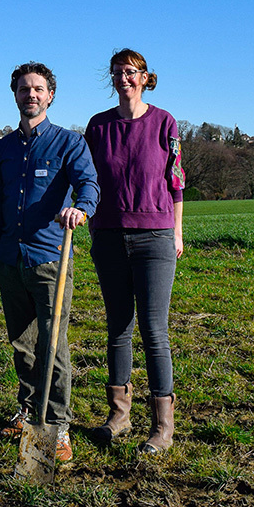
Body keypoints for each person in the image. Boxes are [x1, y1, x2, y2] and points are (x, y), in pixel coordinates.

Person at [0, 62, 98, 462]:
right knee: (23, 343)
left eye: (37, 89)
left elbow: (89, 184)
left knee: (53, 345)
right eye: (23, 89)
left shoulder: (69, 143)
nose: (30, 95)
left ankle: (58, 426)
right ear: (14, 94)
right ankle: (28, 410)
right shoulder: (3, 148)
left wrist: (81, 209)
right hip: (10, 259)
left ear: (50, 95)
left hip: (51, 258)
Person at [85, 48, 185, 453]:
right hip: (108, 236)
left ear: (145, 77)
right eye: (117, 73)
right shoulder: (98, 126)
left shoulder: (165, 122)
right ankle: (119, 415)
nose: (123, 78)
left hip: (155, 237)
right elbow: (86, 178)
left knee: (154, 330)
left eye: (131, 72)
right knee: (117, 329)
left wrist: (177, 232)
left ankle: (163, 427)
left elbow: (176, 181)